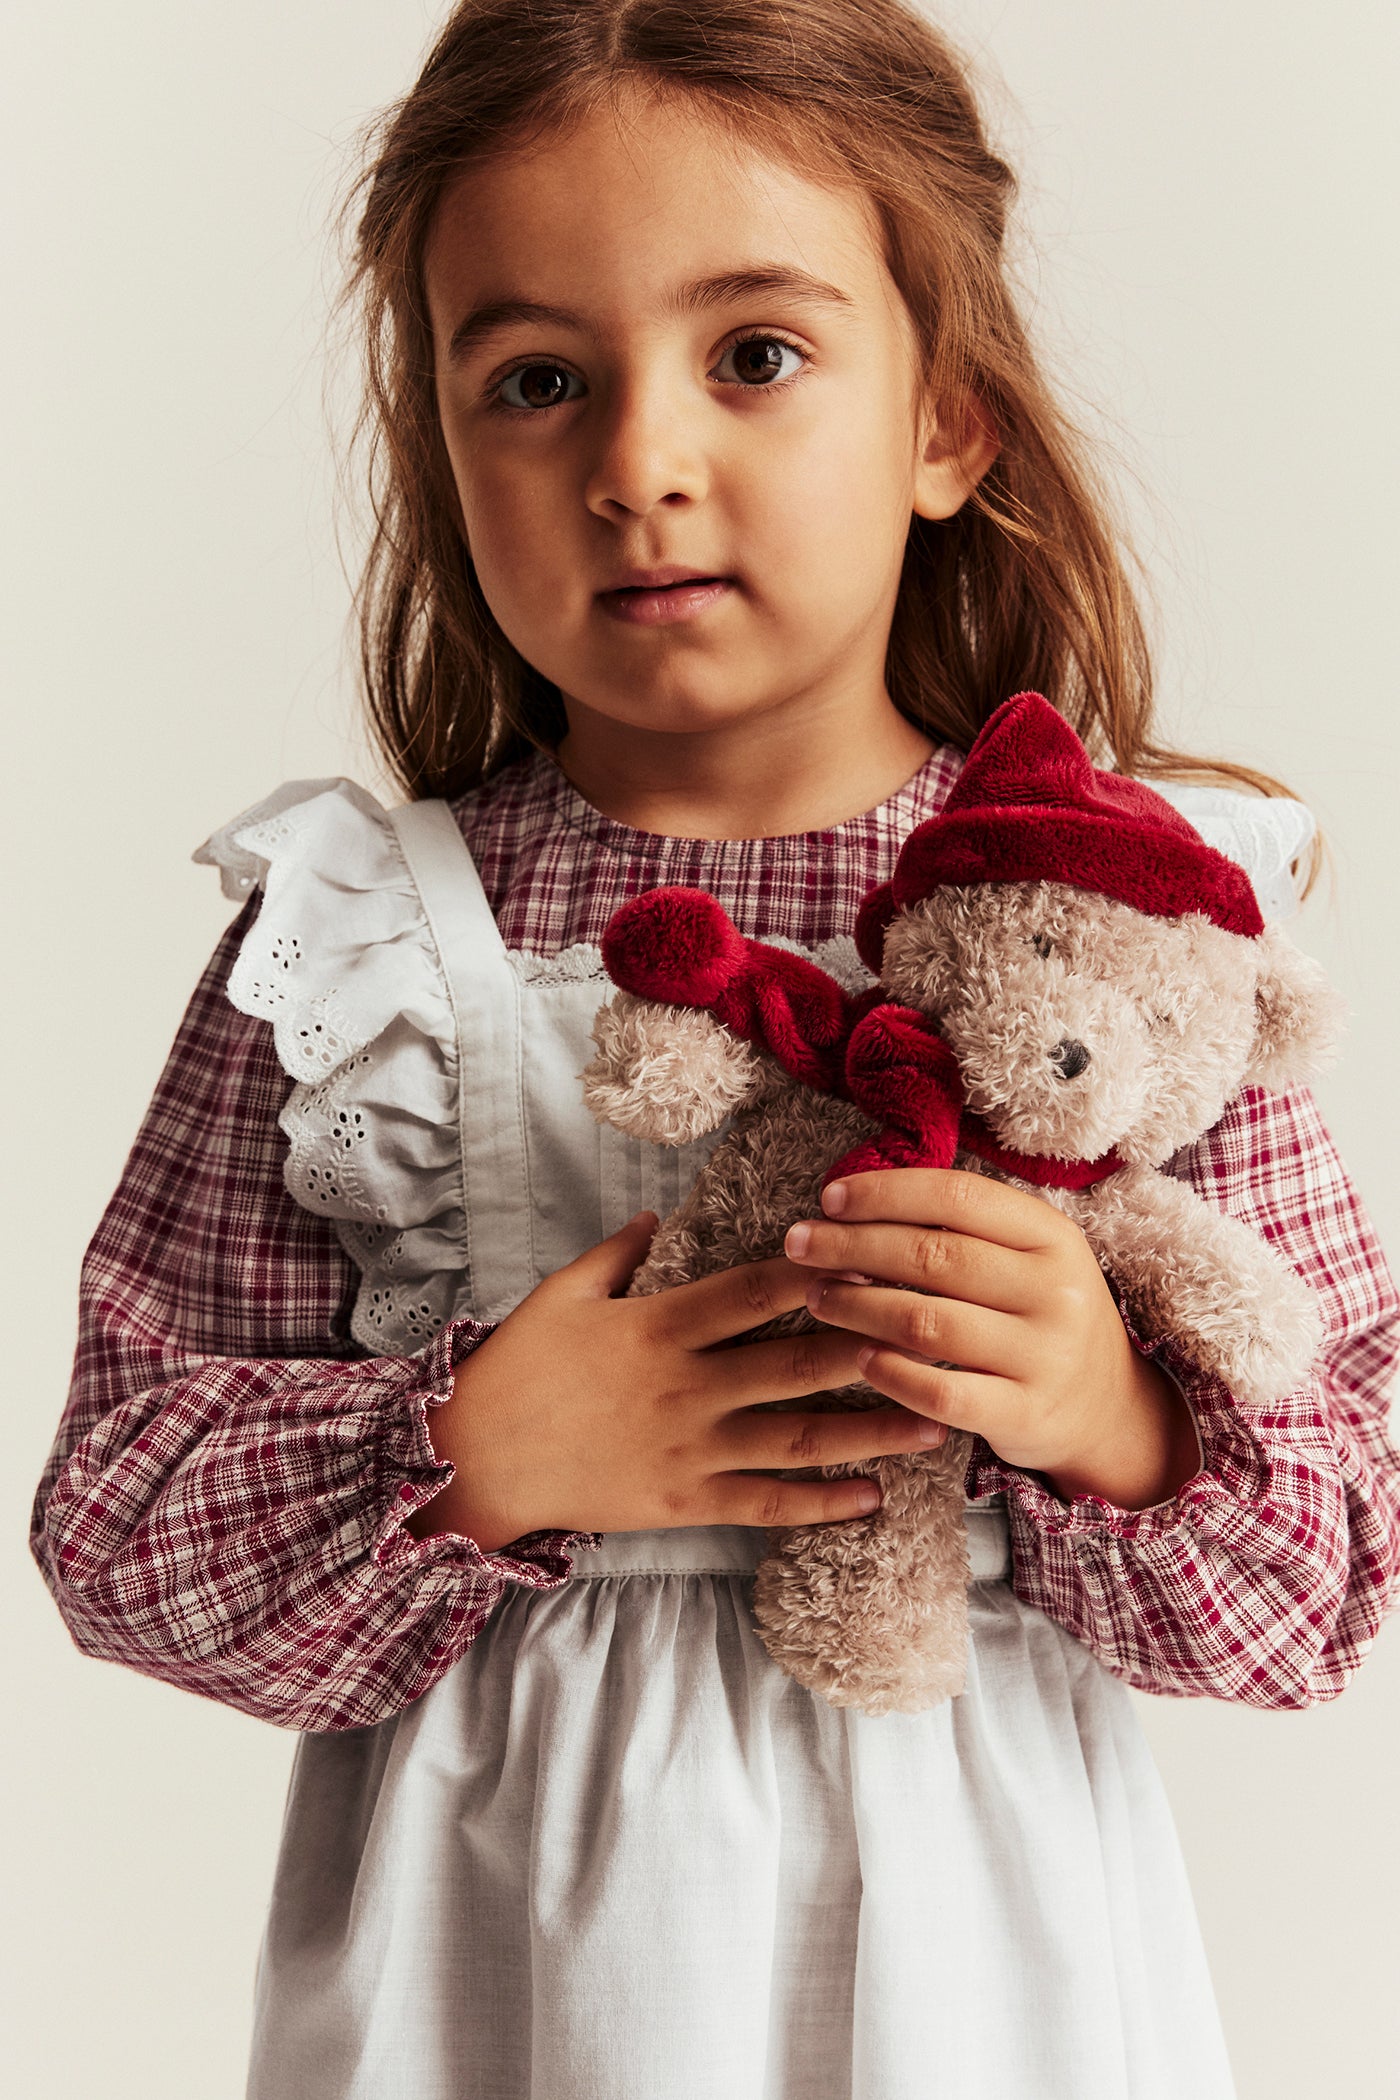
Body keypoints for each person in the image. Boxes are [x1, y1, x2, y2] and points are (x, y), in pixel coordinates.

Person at [30, 3, 1400, 2095]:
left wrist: (1104, 1402)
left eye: (753, 356)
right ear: (443, 441)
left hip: (995, 1989)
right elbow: (121, 1533)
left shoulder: (1139, 930)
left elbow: (1332, 1571)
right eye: (536, 379)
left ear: (949, 422)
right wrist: (481, 1450)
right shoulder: (364, 946)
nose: (636, 464)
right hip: (495, 1982)